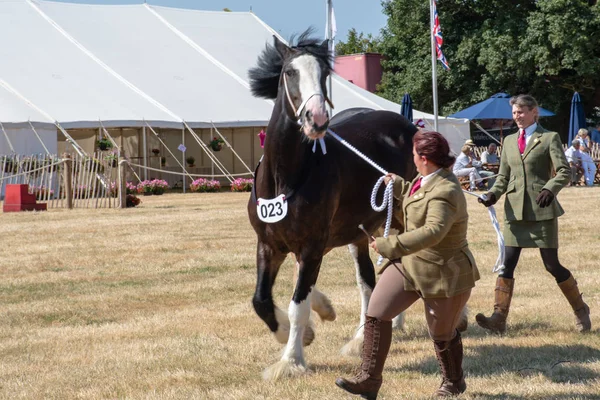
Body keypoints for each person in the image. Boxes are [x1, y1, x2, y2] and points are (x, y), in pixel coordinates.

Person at [336, 131, 480, 399]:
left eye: (414, 155)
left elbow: (433, 231)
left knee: (442, 333)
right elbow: (418, 196)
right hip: (410, 263)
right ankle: (368, 380)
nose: (411, 159)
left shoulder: (447, 190)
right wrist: (399, 184)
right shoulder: (425, 179)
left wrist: (390, 245)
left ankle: (453, 382)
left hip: (443, 270)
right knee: (377, 313)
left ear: (424, 159)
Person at [477, 94, 591, 334]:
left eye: (521, 112)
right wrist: (492, 195)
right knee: (507, 265)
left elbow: (564, 171)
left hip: (542, 211)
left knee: (552, 265)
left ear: (533, 112)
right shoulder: (508, 141)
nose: (517, 117)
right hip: (514, 213)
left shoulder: (549, 138)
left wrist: (550, 188)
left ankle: (581, 309)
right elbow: (503, 177)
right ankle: (498, 318)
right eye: (514, 113)